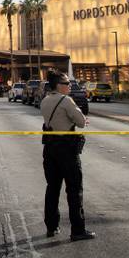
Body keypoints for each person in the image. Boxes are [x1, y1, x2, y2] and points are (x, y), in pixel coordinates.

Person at [40, 69, 95, 241]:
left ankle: (51, 226)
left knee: (52, 188)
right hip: (66, 148)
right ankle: (78, 230)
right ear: (58, 85)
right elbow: (81, 122)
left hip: (49, 148)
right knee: (74, 189)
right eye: (66, 83)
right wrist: (80, 117)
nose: (70, 85)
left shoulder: (45, 100)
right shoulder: (66, 100)